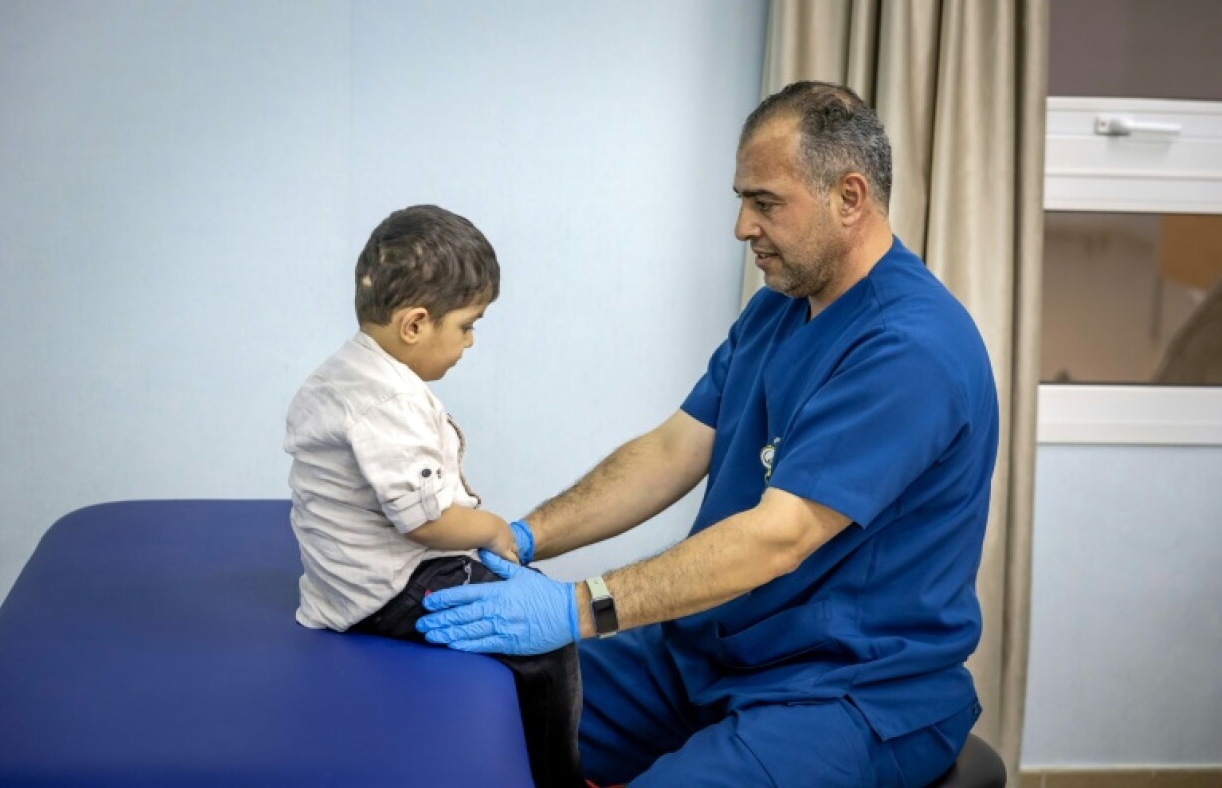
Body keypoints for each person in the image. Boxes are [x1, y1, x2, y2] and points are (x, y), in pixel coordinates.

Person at [417, 81, 1001, 787]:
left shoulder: (911, 348)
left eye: (765, 203)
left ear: (850, 198)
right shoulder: (778, 311)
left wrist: (578, 606)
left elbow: (778, 537)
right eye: (741, 201)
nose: (742, 228)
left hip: (847, 688)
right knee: (478, 706)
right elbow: (672, 450)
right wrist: (520, 535)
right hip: (710, 650)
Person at [284, 205, 583, 788]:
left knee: (529, 596)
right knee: (550, 643)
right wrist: (494, 528)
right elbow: (424, 523)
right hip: (384, 591)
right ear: (415, 324)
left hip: (342, 582)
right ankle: (557, 778)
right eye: (468, 325)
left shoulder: (345, 373)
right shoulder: (387, 404)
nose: (470, 342)